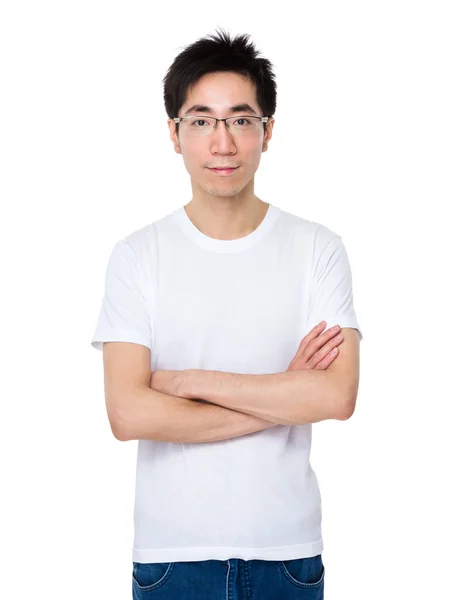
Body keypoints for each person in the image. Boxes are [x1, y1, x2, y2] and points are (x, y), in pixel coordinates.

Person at [91, 27, 362, 600]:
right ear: (174, 133)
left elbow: (336, 398)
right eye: (202, 121)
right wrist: (284, 394)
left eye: (241, 120)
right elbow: (128, 413)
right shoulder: (138, 255)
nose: (223, 143)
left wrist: (188, 383)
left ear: (267, 132)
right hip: (172, 558)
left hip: (286, 555)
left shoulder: (317, 248)